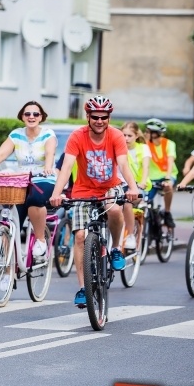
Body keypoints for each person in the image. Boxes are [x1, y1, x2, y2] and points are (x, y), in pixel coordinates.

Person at [49, 96, 140, 308]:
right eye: (95, 117)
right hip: (83, 190)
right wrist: (57, 192)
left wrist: (133, 187)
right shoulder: (77, 136)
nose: (100, 121)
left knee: (116, 211)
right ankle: (83, 288)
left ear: (109, 117)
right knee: (80, 236)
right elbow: (67, 166)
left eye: (104, 117)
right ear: (88, 117)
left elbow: (123, 164)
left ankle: (116, 248)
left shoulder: (116, 135)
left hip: (110, 187)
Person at [0, 101, 57, 269]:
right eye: (27, 114)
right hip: (21, 180)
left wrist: (48, 167)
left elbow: (50, 152)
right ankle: (8, 273)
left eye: (35, 114)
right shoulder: (16, 135)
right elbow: (1, 153)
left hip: (43, 179)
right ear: (22, 116)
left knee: (35, 200)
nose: (31, 117)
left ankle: (41, 240)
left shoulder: (48, 134)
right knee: (10, 221)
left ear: (41, 117)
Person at [120, 121, 152, 251]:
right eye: (123, 135)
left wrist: (143, 182)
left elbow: (145, 167)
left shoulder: (143, 148)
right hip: (121, 185)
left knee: (127, 202)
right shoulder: (119, 146)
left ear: (136, 136)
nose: (126, 139)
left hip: (138, 187)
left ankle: (131, 235)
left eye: (129, 136)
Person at [144, 118, 177, 229]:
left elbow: (170, 160)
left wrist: (168, 177)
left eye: (149, 132)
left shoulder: (169, 144)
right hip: (152, 177)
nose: (146, 134)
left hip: (167, 175)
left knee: (168, 187)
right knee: (145, 200)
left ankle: (167, 212)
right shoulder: (145, 145)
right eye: (146, 131)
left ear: (157, 133)